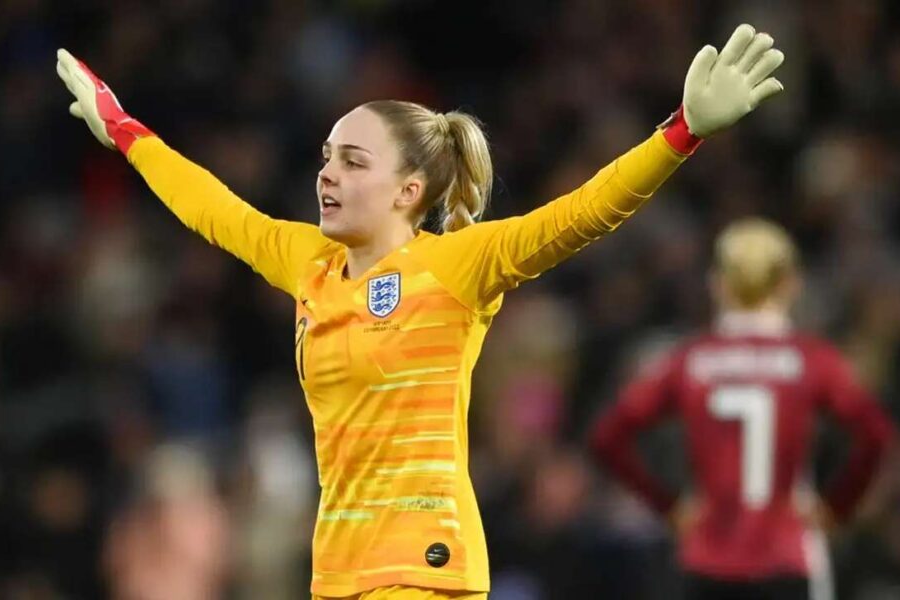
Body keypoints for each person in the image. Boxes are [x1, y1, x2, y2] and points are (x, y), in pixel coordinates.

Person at [57, 24, 785, 600]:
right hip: (337, 570)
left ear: (409, 191)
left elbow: (582, 214)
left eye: (353, 161)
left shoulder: (456, 265)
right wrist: (124, 130)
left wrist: (681, 132)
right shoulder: (308, 262)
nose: (327, 173)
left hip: (425, 565)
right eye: (326, 156)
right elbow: (214, 210)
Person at [590, 218, 896, 600]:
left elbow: (607, 436)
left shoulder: (690, 360)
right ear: (790, 284)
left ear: (718, 284)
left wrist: (667, 506)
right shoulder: (811, 361)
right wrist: (838, 506)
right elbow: (875, 434)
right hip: (784, 555)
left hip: (707, 558)